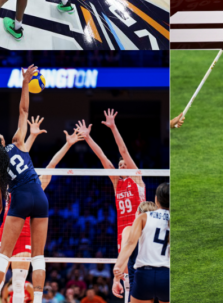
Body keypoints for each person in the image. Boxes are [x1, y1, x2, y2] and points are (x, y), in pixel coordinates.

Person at [0, 120, 84, 303]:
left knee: (19, 284)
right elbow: (19, 153)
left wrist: (68, 144)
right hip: (6, 230)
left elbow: (51, 165)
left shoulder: (37, 185)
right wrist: (32, 135)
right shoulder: (9, 183)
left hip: (25, 234)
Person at [0, 65, 49, 303]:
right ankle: (38, 299)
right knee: (38, 256)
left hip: (19, 201)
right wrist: (25, 82)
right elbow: (23, 109)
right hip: (39, 196)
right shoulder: (18, 142)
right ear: (2, 141)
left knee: (3, 255)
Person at [79, 109, 146, 303]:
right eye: (120, 165)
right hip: (121, 231)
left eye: (125, 164)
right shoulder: (117, 183)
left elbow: (123, 151)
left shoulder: (137, 179)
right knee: (125, 276)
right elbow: (103, 158)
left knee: (140, 271)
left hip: (138, 229)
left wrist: (113, 127)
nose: (122, 166)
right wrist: (88, 138)